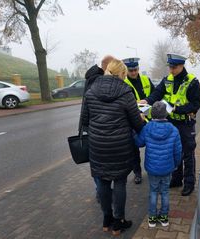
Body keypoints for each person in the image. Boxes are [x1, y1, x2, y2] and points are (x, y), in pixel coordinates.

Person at [82, 59, 145, 235]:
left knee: (102, 181)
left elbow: (85, 121)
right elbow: (136, 124)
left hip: (97, 146)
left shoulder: (91, 90)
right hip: (120, 146)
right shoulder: (126, 92)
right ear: (122, 74)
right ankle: (118, 222)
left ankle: (106, 219)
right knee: (119, 182)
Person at [139, 54, 200, 196]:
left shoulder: (192, 82)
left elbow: (195, 105)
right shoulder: (167, 80)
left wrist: (176, 109)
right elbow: (157, 93)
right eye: (170, 67)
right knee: (175, 152)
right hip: (171, 123)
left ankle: (189, 183)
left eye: (174, 67)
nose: (171, 70)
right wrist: (147, 100)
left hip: (186, 123)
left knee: (188, 153)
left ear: (181, 66)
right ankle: (177, 179)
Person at [135, 101, 182, 228]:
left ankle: (152, 218)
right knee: (165, 192)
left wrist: (134, 132)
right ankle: (164, 217)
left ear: (152, 114)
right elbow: (178, 150)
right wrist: (176, 164)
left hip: (152, 168)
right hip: (167, 167)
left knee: (153, 191)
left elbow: (139, 143)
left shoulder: (148, 127)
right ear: (166, 114)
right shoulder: (173, 129)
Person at [78, 55, 115, 203]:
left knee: (96, 162)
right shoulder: (97, 80)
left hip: (90, 124)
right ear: (107, 66)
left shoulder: (92, 77)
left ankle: (101, 190)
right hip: (95, 126)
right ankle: (101, 192)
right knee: (99, 164)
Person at [122, 57, 156, 184]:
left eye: (135, 69)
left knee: (152, 145)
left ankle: (153, 170)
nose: (134, 73)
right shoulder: (124, 83)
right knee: (133, 148)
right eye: (131, 70)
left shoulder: (146, 79)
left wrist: (147, 101)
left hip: (149, 119)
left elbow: (154, 94)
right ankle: (137, 173)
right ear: (126, 71)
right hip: (133, 120)